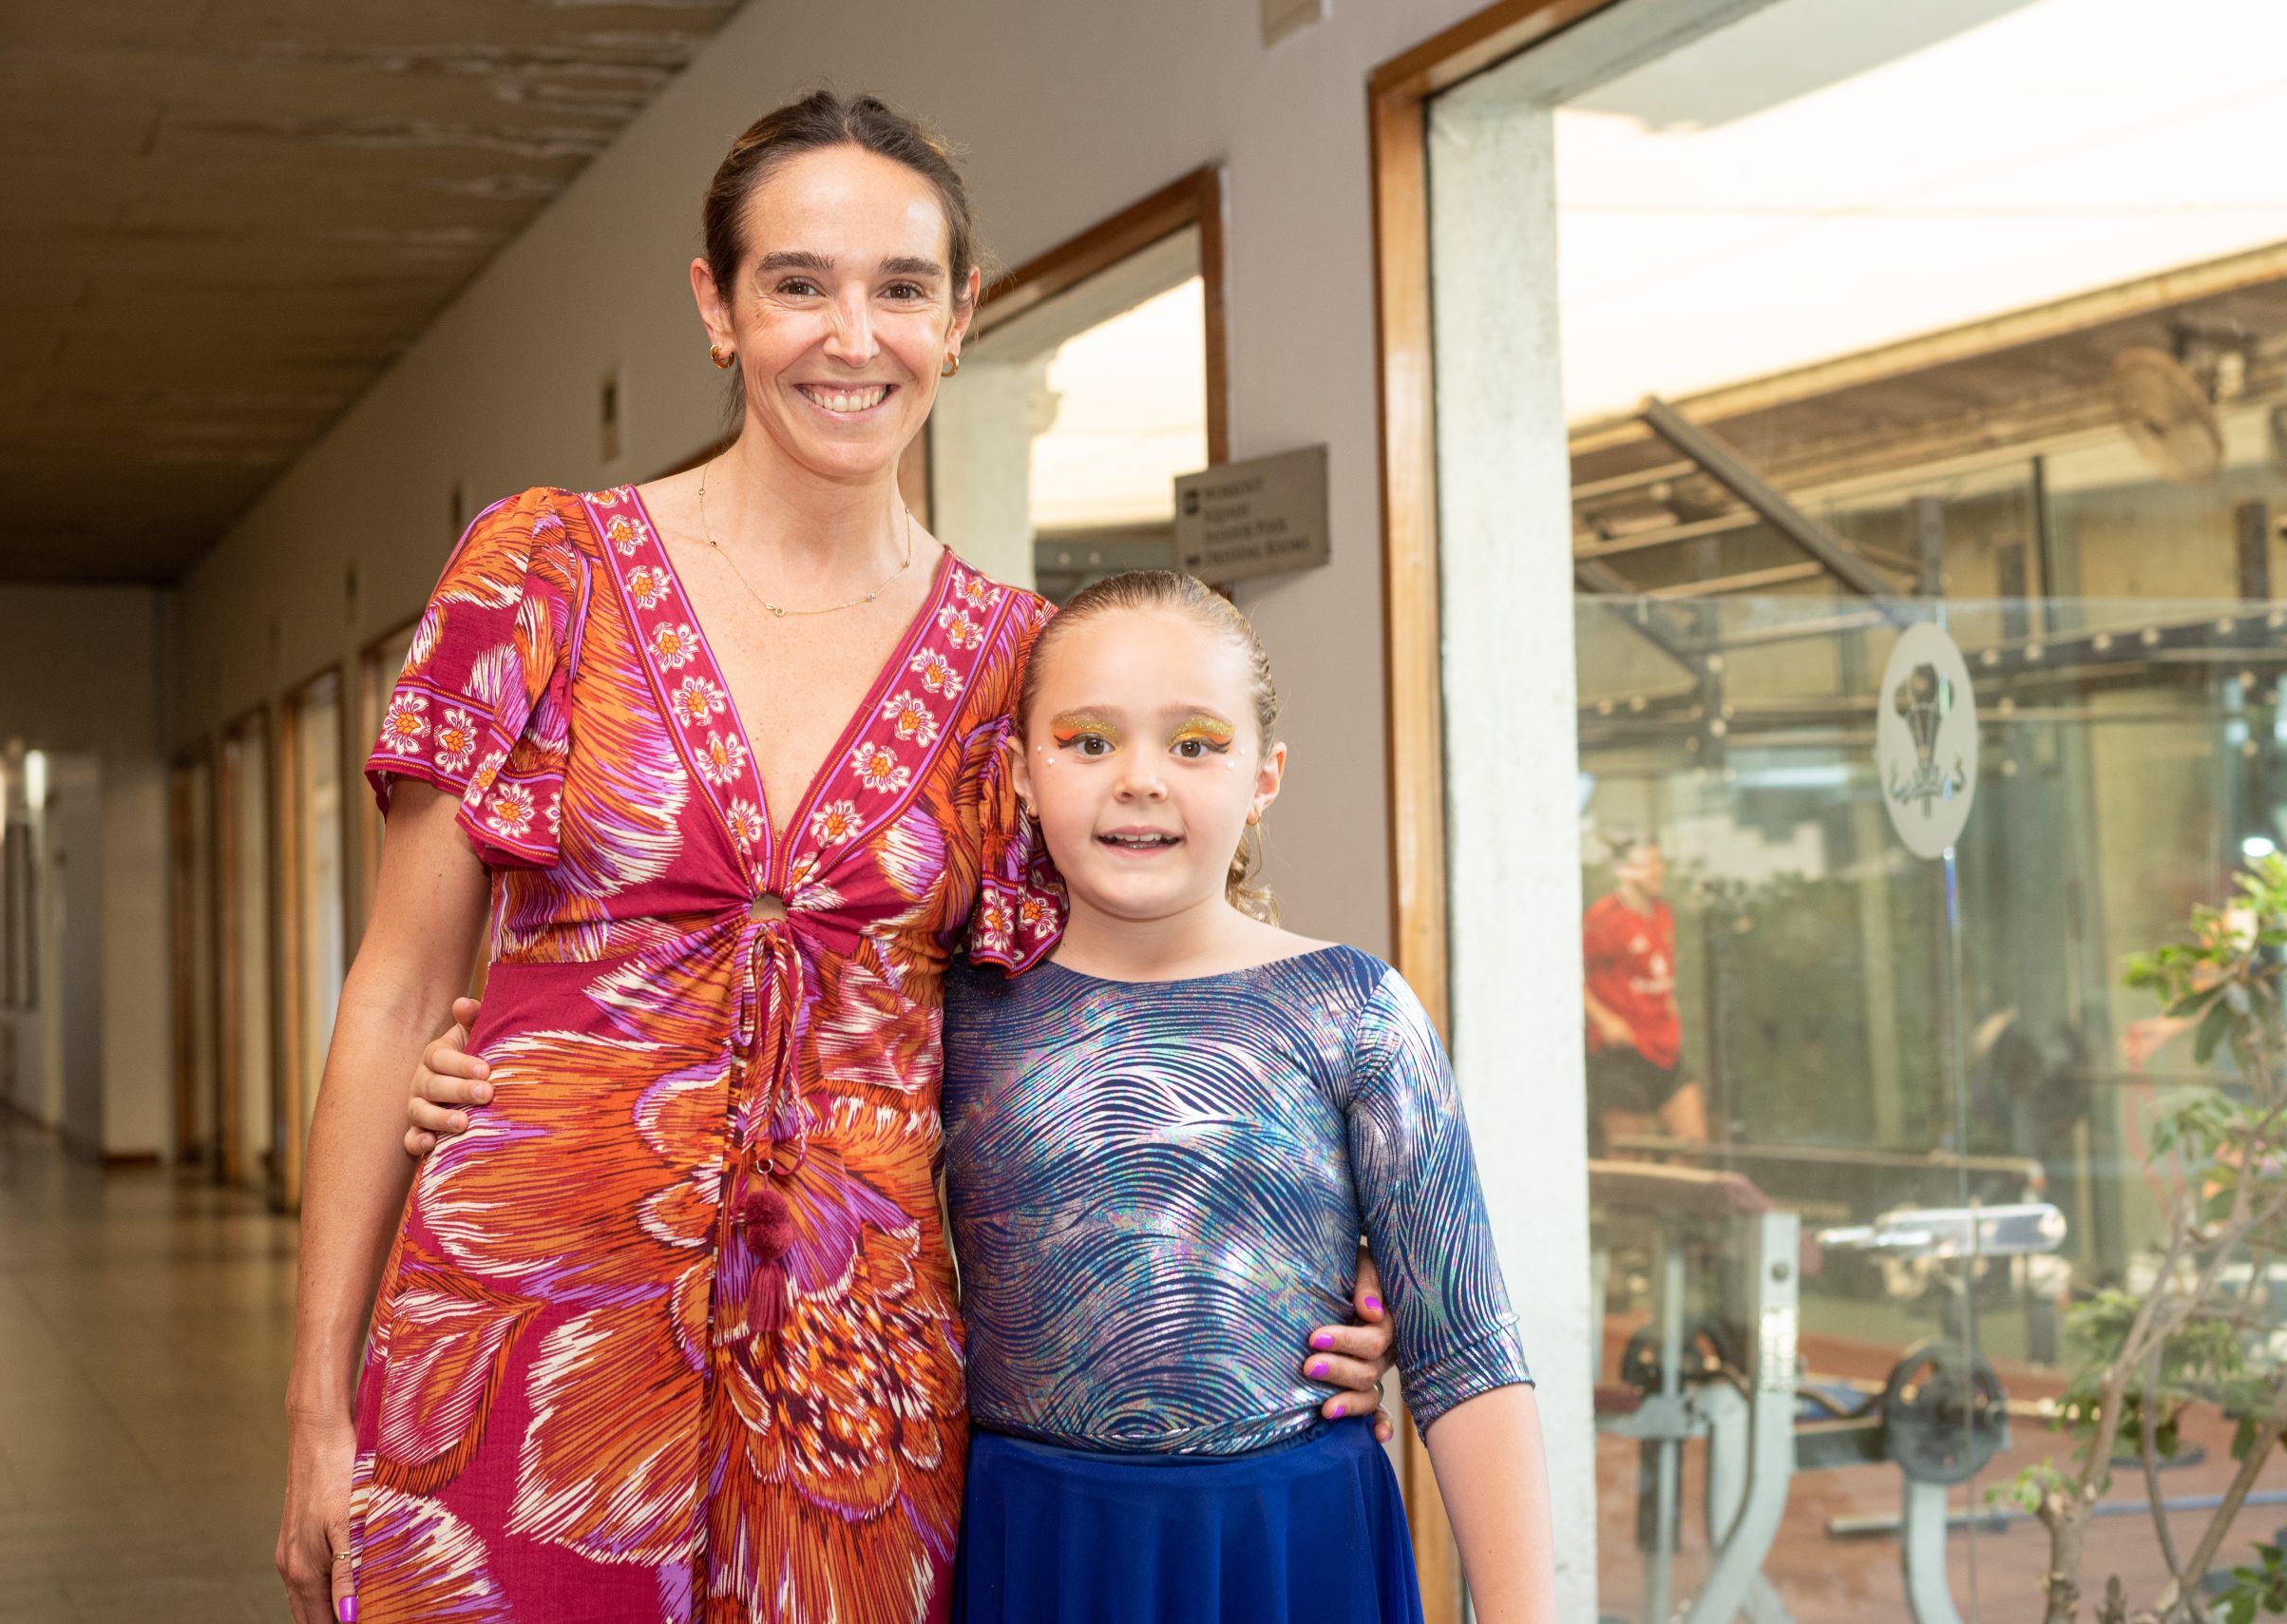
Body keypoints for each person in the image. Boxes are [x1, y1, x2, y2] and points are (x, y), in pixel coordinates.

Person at [276, 92, 1392, 1624]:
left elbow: (1117, 1002)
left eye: (902, 288)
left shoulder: (1017, 668)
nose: (851, 337)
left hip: (855, 1412)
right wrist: (315, 1407)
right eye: (798, 283)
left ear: (962, 315)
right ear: (717, 307)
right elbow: (397, 996)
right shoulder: (543, 572)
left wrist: (1310, 1256)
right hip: (515, 1362)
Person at [410, 574, 1555, 1624]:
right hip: (1031, 1533)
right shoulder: (949, 1008)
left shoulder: (1354, 1009)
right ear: (1016, 774)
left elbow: (1464, 1349)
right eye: (1088, 740)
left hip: (1286, 1535)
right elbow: (723, 1089)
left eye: (1194, 743)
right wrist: (494, 1073)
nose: (1139, 777)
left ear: (1265, 776)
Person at [1581, 835, 1706, 1153]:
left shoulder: (1662, 912)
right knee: (1627, 1155)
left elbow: (1658, 971)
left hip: (1664, 1048)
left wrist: (1671, 1009)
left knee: (1693, 1145)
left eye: (1658, 862)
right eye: (1647, 864)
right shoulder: (1605, 918)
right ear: (1622, 871)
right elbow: (1567, 974)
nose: (1657, 871)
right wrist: (1604, 1019)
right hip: (1624, 1054)